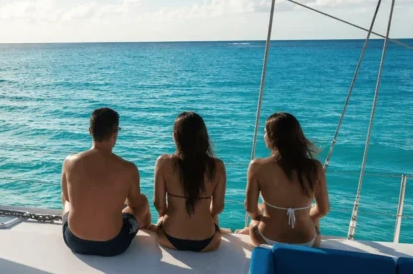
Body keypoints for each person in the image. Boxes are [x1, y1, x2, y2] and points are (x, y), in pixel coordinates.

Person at [61, 107, 150, 256]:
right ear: (115, 134)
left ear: (90, 131)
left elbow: (69, 198)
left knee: (65, 198)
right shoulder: (128, 168)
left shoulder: (70, 162)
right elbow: (135, 204)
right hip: (114, 245)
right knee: (142, 201)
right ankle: (147, 229)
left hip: (75, 241)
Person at [240, 112, 330, 247]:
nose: (264, 136)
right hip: (308, 242)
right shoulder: (315, 167)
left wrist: (262, 219)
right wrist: (304, 217)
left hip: (268, 240)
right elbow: (323, 210)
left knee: (253, 223)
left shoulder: (257, 166)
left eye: (265, 132)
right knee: (313, 219)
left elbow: (250, 209)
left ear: (272, 137)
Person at [152, 112, 226, 252]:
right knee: (213, 218)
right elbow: (218, 208)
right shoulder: (217, 166)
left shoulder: (163, 163)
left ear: (175, 137)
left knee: (162, 218)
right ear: (204, 138)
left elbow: (159, 204)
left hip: (169, 238)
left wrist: (163, 217)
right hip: (207, 242)